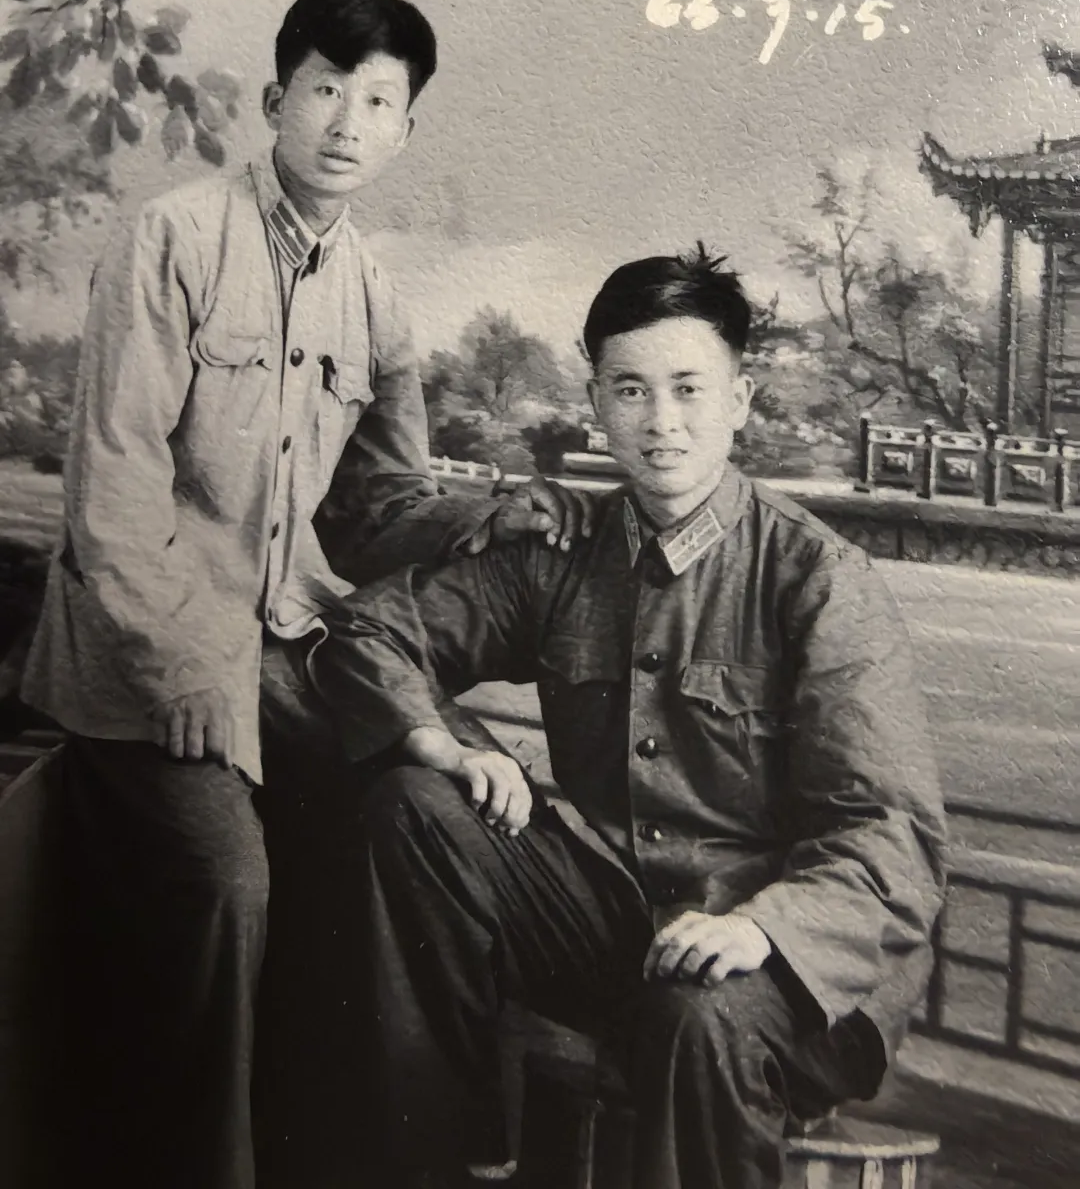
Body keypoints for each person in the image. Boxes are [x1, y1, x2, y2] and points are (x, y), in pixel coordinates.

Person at [20, 0, 588, 1189]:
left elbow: (376, 512)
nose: (345, 121)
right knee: (228, 885)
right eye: (326, 89)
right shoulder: (173, 238)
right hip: (147, 655)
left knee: (431, 818)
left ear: (403, 131)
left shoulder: (374, 292)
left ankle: (387, 1159)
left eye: (377, 101)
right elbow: (113, 488)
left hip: (286, 646)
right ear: (277, 99)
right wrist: (180, 666)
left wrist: (490, 514)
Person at [309, 245, 948, 1189]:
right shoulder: (566, 550)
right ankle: (451, 1157)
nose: (662, 423)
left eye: (689, 389)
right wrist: (444, 743)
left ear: (740, 399)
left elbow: (892, 837)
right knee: (416, 801)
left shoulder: (816, 580)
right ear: (597, 402)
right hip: (620, 931)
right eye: (632, 390)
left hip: (792, 969)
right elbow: (371, 629)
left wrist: (763, 931)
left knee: (701, 1012)